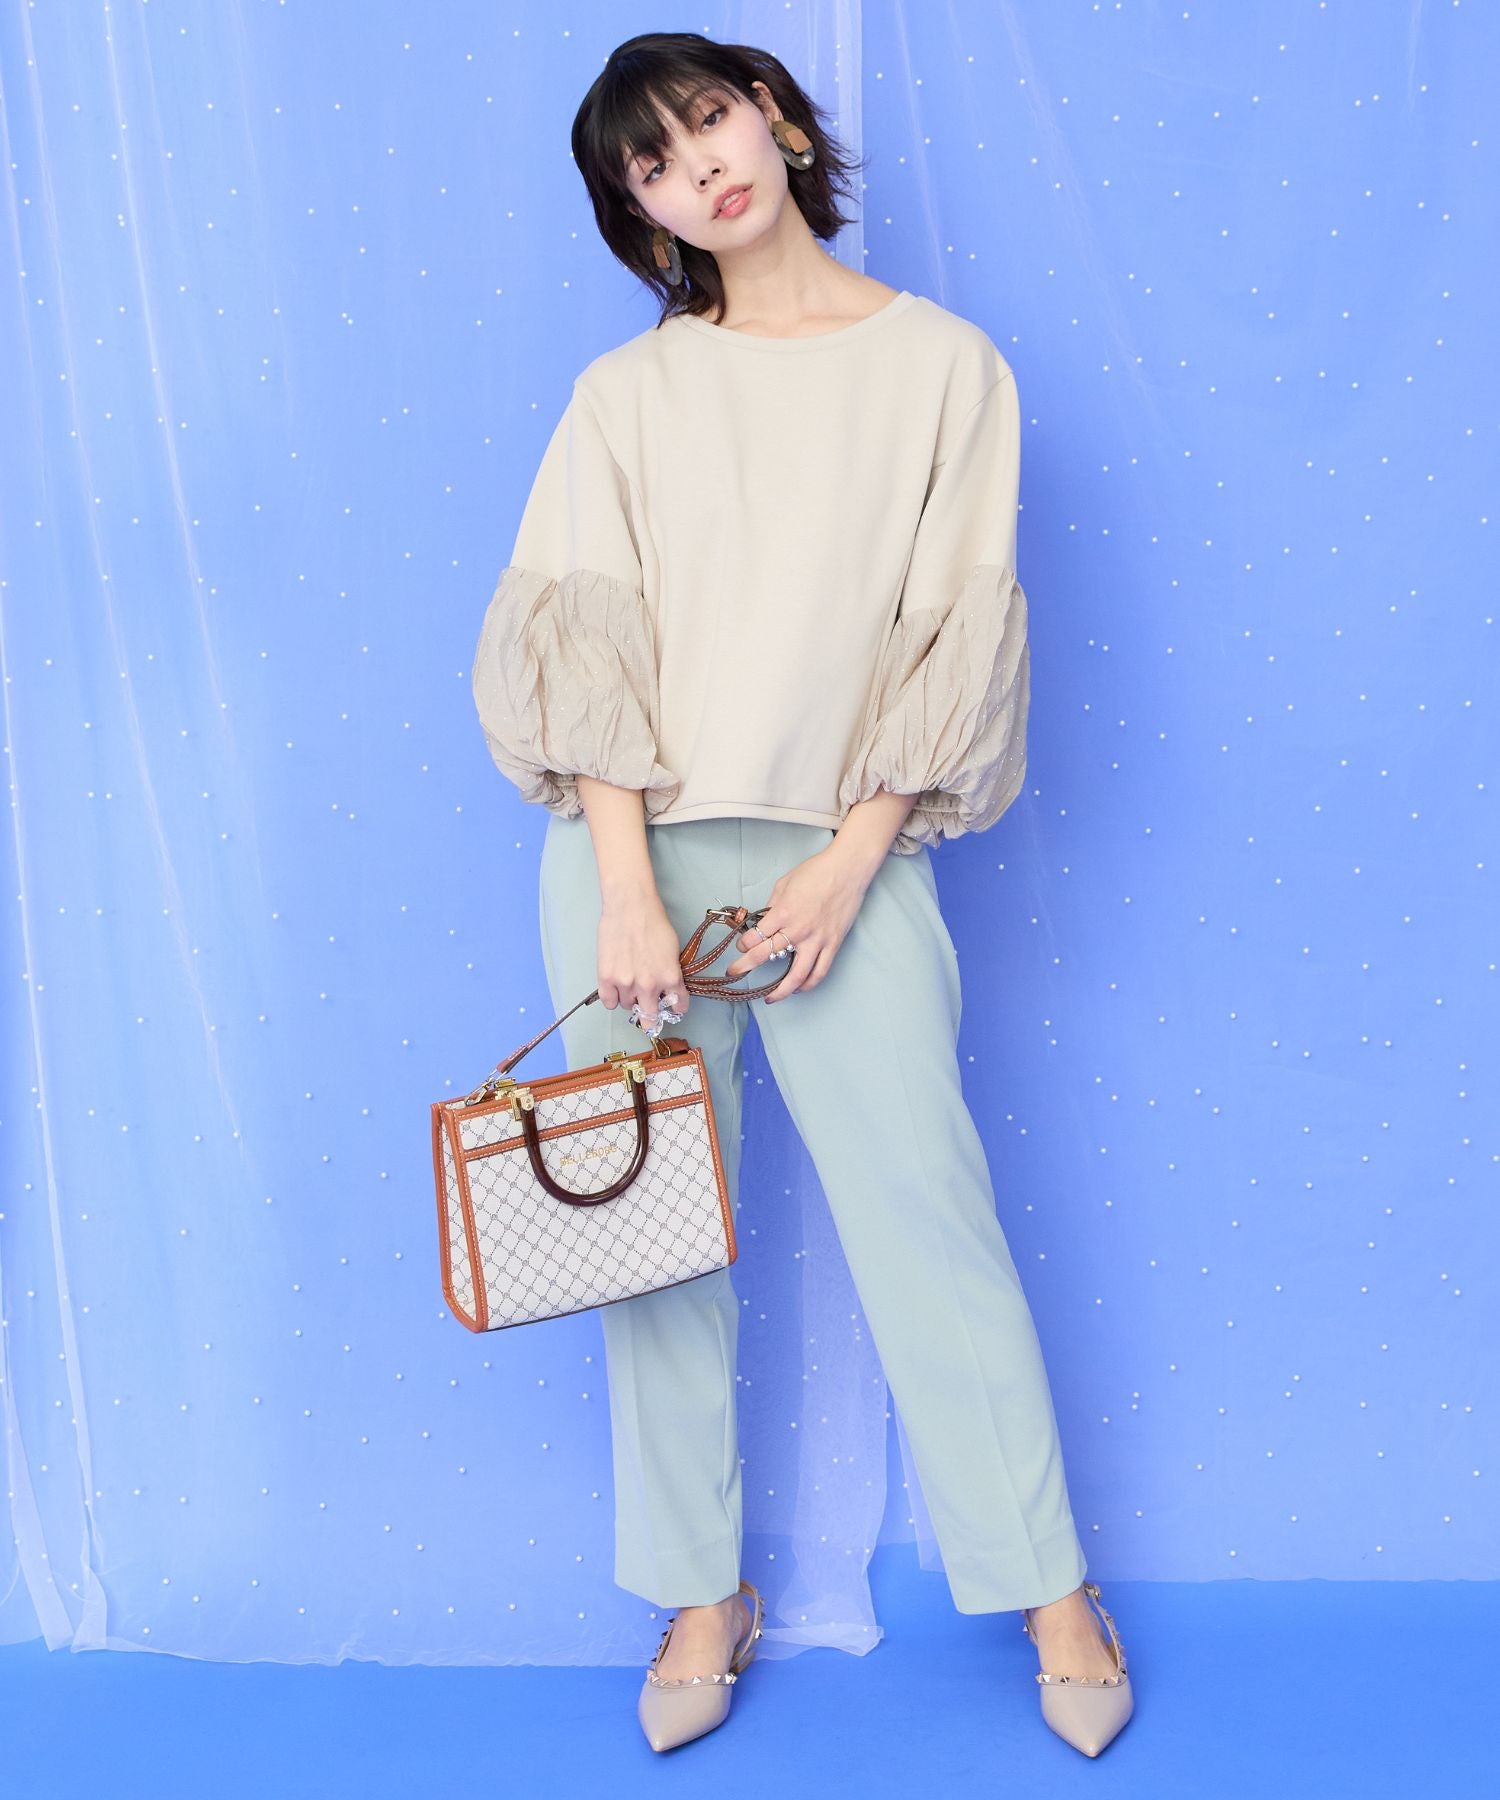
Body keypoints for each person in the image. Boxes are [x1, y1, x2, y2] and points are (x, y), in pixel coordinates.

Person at [470, 30, 1135, 1759]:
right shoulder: (628, 397)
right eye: (653, 162)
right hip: (637, 853)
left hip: (851, 848)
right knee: (650, 1246)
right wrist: (624, 892)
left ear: (770, 115)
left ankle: (1049, 1583)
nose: (699, 165)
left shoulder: (945, 369)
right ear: (641, 213)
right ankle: (702, 1590)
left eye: (709, 119)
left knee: (927, 1212)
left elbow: (952, 631)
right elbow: (582, 642)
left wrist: (851, 861)